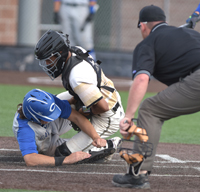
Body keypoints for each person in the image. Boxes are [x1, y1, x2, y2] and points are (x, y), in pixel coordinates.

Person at [112, 4, 200, 189]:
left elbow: (142, 78)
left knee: (150, 109)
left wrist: (128, 116)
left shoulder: (147, 43)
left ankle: (138, 173)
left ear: (143, 26)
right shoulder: (191, 34)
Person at [34, 30, 124, 161]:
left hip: (106, 115)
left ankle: (108, 145)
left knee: (62, 154)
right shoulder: (75, 51)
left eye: (49, 59)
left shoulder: (77, 76)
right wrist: (72, 102)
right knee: (49, 105)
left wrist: (82, 111)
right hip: (95, 98)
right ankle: (52, 138)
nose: (48, 64)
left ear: (60, 54)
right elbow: (85, 89)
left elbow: (102, 107)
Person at [12, 88, 119, 166]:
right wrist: (67, 159)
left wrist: (96, 137)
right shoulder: (25, 129)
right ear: (34, 117)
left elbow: (76, 117)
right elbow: (30, 159)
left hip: (50, 126)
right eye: (47, 116)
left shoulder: (49, 101)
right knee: (62, 153)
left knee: (77, 102)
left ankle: (86, 110)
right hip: (45, 143)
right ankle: (105, 146)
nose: (53, 116)